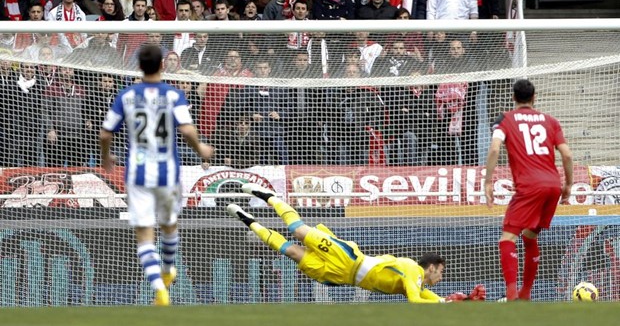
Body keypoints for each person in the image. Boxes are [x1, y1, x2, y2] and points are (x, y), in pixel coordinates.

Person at [228, 183, 487, 303]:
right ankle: (270, 197)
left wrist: (448, 302)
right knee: (297, 230)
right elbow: (416, 300)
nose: (441, 277)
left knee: (291, 252)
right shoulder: (411, 269)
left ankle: (249, 221)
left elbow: (424, 295)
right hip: (349, 258)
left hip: (342, 276)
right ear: (431, 267)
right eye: (441, 271)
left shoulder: (418, 281)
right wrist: (445, 305)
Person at [99, 44, 214, 306]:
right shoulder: (173, 95)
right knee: (169, 225)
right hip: (168, 173)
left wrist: (106, 158)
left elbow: (105, 133)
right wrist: (201, 148)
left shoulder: (126, 96)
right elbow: (186, 129)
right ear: (162, 65)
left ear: (138, 66)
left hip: (137, 174)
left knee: (144, 234)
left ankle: (159, 289)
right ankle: (168, 268)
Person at [484, 79, 574, 301]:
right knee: (530, 236)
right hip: (552, 185)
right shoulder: (550, 121)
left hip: (529, 186)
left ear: (513, 97)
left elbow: (495, 148)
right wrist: (568, 184)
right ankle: (525, 294)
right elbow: (567, 155)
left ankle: (512, 293)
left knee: (507, 238)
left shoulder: (504, 119)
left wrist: (488, 182)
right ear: (535, 97)